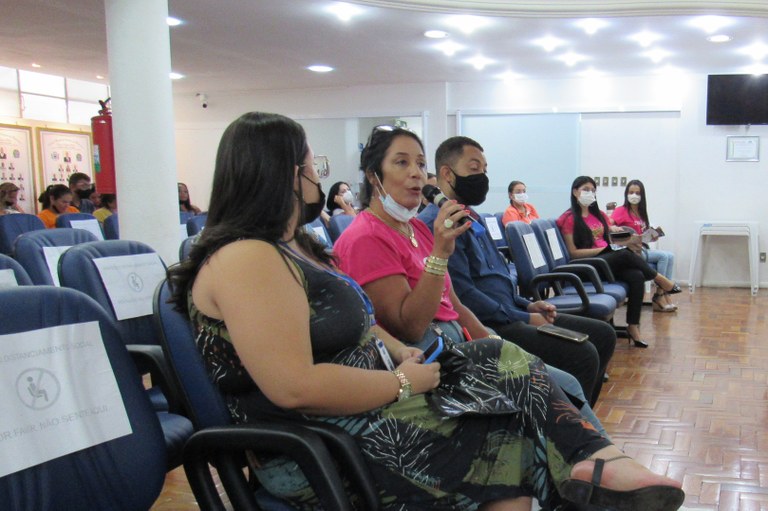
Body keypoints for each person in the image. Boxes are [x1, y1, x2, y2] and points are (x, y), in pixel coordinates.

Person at [168, 113, 684, 511]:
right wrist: (402, 382)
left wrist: (398, 352)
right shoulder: (247, 257)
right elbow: (293, 387)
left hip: (370, 404)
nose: (317, 178)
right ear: (286, 173)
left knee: (500, 358)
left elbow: (361, 324)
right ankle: (600, 467)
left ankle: (600, 462)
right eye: (311, 166)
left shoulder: (295, 247)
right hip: (321, 440)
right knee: (515, 437)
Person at [418, 136, 616, 406]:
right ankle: (565, 424)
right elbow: (464, 295)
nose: (482, 176)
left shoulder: (471, 216)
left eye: (485, 170)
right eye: (474, 168)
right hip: (492, 323)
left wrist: (529, 304)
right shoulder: (439, 224)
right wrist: (523, 316)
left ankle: (577, 418)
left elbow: (498, 277)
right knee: (583, 354)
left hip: (512, 311)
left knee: (603, 335)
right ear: (447, 173)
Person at [556, 176, 681, 348]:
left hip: (605, 261)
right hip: (587, 265)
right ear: (575, 192)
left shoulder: (598, 215)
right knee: (623, 254)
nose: (590, 193)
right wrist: (605, 250)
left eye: (593, 190)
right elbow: (573, 253)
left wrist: (628, 240)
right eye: (586, 189)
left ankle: (633, 326)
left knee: (636, 275)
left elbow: (611, 236)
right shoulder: (569, 219)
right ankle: (661, 280)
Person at [612, 180, 677, 312]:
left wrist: (652, 236)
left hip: (641, 248)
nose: (634, 195)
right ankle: (660, 295)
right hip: (631, 251)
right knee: (663, 257)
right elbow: (609, 223)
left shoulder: (641, 213)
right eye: (631, 192)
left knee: (670, 256)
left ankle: (663, 293)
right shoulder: (621, 211)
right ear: (626, 194)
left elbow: (642, 235)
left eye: (637, 193)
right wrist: (613, 227)